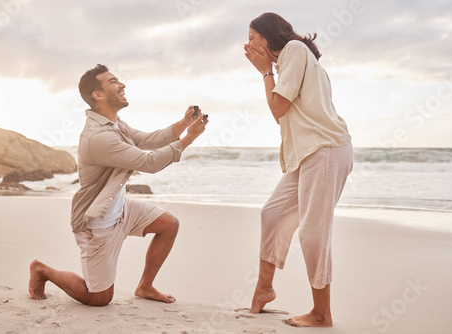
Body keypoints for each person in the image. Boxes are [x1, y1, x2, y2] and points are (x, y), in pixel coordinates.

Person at [29, 64, 208, 306]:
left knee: (169, 224)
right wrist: (189, 138)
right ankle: (42, 270)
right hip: (97, 222)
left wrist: (183, 123)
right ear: (98, 95)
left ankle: (145, 286)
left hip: (119, 207)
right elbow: (149, 161)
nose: (122, 85)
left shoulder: (114, 124)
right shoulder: (99, 137)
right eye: (113, 82)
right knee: (99, 298)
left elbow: (147, 140)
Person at [244, 13, 353, 327]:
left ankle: (322, 313)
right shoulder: (289, 59)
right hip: (308, 154)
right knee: (273, 214)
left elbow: (278, 110)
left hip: (325, 149)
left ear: (267, 36)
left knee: (312, 233)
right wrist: (269, 71)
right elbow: (283, 111)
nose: (248, 44)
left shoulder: (293, 50)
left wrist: (265, 72)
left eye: (252, 37)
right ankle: (264, 289)